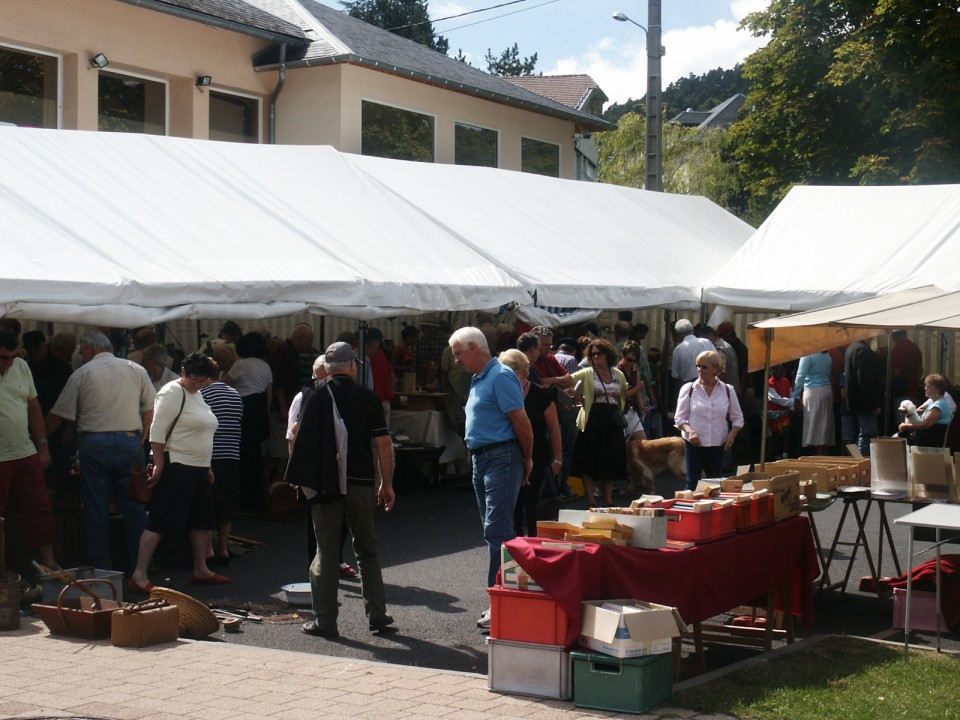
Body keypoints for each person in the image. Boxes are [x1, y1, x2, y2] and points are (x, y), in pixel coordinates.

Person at [285, 342, 396, 638]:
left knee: (326, 551)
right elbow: (383, 445)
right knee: (367, 549)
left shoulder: (313, 394)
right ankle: (377, 615)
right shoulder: (368, 397)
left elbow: (295, 434)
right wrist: (387, 483)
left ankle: (325, 621)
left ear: (327, 367)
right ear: (352, 366)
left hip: (324, 482)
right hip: (360, 481)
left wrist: (300, 476)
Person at [46, 331, 156, 570]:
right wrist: (141, 440)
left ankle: (100, 568)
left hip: (94, 443)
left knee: (96, 508)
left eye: (82, 351)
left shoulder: (82, 373)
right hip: (129, 441)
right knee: (135, 507)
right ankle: (141, 566)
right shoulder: (136, 369)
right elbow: (151, 408)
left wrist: (38, 439)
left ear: (91, 349)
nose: (81, 355)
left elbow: (59, 414)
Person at [448, 327, 532, 630]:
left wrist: (527, 459)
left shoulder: (500, 376)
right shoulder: (482, 377)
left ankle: (501, 603)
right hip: (484, 459)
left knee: (498, 532)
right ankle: (506, 600)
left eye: (458, 353)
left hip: (500, 457)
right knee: (496, 532)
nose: (457, 360)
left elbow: (521, 422)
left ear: (474, 347)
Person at [128, 353, 227, 594]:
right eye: (194, 379)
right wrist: (160, 464)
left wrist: (207, 466)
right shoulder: (172, 392)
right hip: (178, 466)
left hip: (199, 468)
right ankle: (139, 574)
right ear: (183, 372)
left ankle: (201, 569)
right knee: (161, 520)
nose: (198, 384)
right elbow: (157, 431)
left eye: (203, 380)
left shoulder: (198, 394)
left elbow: (202, 433)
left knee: (203, 520)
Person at [286, 356, 358, 579]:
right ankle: (315, 563)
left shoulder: (338, 394)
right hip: (313, 466)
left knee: (342, 515)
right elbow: (291, 436)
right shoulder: (303, 396)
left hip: (339, 464)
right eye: (323, 373)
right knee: (315, 519)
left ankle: (336, 559)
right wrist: (295, 470)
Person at [0, 330, 58, 572]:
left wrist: (42, 444)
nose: (9, 362)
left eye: (13, 356)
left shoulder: (21, 366)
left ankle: (49, 564)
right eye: (4, 358)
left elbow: (33, 406)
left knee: (39, 507)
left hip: (24, 451)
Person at [554, 338, 629, 508]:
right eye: (593, 354)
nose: (596, 357)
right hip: (593, 419)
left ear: (607, 355)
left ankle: (608, 499)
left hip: (612, 421)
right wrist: (546, 381)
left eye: (599, 354)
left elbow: (624, 392)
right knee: (589, 459)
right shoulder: (587, 372)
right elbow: (567, 380)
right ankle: (591, 499)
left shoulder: (618, 374)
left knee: (610, 459)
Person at [498, 349, 562, 536]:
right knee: (514, 505)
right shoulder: (503, 394)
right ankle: (516, 543)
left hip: (538, 456)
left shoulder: (541, 395)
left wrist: (558, 459)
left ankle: (535, 543)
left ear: (520, 373)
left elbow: (554, 428)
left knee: (535, 504)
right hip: (511, 455)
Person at [674, 350, 744, 491]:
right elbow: (679, 417)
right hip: (694, 443)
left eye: (704, 367)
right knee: (692, 484)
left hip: (718, 444)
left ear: (716, 369)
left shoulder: (727, 390)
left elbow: (738, 418)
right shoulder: (689, 389)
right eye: (698, 366)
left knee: (714, 484)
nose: (700, 369)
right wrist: (690, 431)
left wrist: (732, 435)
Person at [200, 357, 244, 567]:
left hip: (210, 455)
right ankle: (223, 548)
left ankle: (209, 547)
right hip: (232, 455)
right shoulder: (235, 394)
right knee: (226, 502)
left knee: (208, 501)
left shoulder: (203, 394)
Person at [224, 331, 273, 512]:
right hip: (259, 410)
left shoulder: (240, 364)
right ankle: (256, 494)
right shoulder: (266, 366)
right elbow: (269, 394)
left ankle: (246, 495)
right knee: (255, 455)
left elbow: (224, 384)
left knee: (243, 455)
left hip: (244, 411)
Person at [843, 339, 882, 456]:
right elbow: (864, 379)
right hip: (864, 402)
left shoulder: (851, 348)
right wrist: (874, 404)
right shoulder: (863, 350)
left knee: (856, 435)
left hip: (854, 400)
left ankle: (857, 461)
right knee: (868, 435)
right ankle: (862, 461)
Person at [792, 351, 836, 455]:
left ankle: (818, 457)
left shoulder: (808, 355)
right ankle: (823, 456)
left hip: (813, 392)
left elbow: (800, 375)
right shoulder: (827, 356)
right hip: (827, 391)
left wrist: (795, 395)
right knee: (824, 427)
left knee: (815, 428)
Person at [899, 374, 954, 447]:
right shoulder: (934, 402)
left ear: (937, 390)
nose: (925, 388)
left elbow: (925, 425)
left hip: (929, 444)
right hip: (925, 441)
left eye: (928, 387)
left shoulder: (939, 404)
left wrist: (905, 426)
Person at [891, 329, 923, 406]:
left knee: (901, 413)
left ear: (894, 336)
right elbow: (920, 369)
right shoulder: (915, 348)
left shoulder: (898, 348)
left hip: (901, 391)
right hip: (913, 390)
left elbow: (896, 372)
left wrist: (887, 381)